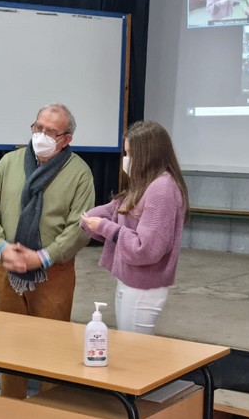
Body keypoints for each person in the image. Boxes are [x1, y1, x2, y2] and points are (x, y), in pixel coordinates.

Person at [0, 103, 95, 394]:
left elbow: (81, 227)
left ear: (66, 139)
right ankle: (11, 405)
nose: (41, 135)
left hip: (54, 274)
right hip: (8, 270)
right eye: (37, 128)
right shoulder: (10, 163)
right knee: (9, 345)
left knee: (51, 350)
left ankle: (49, 412)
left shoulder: (79, 173)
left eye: (50, 131)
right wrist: (2, 247)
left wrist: (42, 257)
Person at [80, 121, 188, 335]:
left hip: (143, 289)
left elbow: (147, 249)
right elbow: (116, 210)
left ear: (148, 154)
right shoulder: (145, 183)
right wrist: (94, 220)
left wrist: (105, 226)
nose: (126, 160)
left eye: (130, 154)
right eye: (125, 153)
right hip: (130, 282)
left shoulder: (161, 188)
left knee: (135, 352)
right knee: (129, 348)